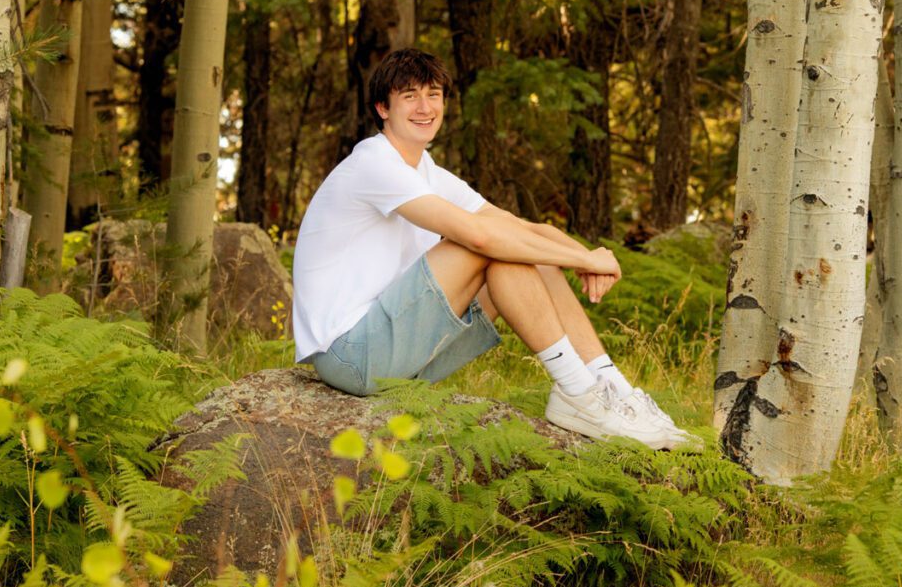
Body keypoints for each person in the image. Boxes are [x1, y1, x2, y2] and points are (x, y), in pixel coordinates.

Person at [292, 49, 695, 450]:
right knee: (485, 244)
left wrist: (590, 256)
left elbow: (517, 226)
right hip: (349, 355)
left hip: (399, 355)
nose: (425, 107)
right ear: (383, 108)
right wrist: (585, 260)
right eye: (409, 96)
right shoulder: (374, 163)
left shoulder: (427, 171)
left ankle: (609, 387)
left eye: (433, 94)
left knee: (520, 247)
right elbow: (482, 238)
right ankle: (578, 392)